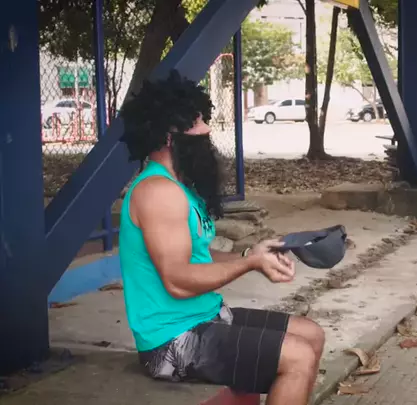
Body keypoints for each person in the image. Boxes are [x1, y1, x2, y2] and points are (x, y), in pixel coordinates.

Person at [117, 70, 325, 405]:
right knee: (297, 357)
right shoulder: (157, 192)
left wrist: (250, 255)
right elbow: (178, 281)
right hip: (171, 339)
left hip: (205, 316)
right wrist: (250, 265)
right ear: (169, 136)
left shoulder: (177, 187)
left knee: (311, 334)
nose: (207, 129)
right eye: (196, 122)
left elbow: (196, 256)